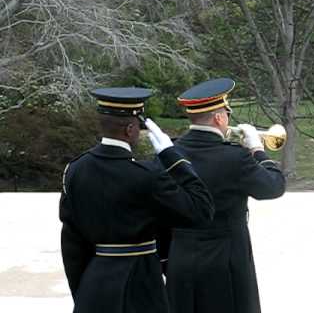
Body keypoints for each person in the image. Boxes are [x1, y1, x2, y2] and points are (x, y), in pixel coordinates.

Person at [59, 87, 214, 313]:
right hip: (142, 284)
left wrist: (83, 293)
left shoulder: (74, 170)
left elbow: (71, 244)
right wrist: (172, 157)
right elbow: (201, 210)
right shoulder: (147, 175)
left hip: (95, 283)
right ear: (130, 129)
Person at [165, 78, 286, 313]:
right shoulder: (234, 158)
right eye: (226, 114)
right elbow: (274, 186)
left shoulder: (169, 153)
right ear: (219, 118)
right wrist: (258, 150)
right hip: (226, 261)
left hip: (180, 258)